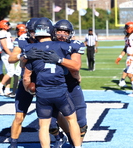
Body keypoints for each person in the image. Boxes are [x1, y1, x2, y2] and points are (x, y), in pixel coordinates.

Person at [23, 17, 81, 148]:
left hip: (42, 93)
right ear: (51, 30)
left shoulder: (30, 49)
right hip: (60, 91)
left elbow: (26, 76)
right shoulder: (63, 46)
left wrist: (28, 89)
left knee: (43, 126)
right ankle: (77, 147)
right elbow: (75, 65)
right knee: (72, 120)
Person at [49, 19, 87, 148]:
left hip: (70, 84)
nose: (61, 34)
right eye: (59, 31)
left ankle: (75, 144)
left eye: (65, 32)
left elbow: (76, 67)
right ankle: (61, 137)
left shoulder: (75, 45)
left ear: (70, 33)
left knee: (81, 122)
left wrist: (59, 60)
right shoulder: (46, 44)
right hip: (52, 86)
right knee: (50, 124)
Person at [8, 18, 40, 148]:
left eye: (36, 31)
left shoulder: (48, 40)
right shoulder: (22, 40)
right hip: (26, 81)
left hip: (45, 81)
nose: (34, 34)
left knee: (53, 116)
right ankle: (13, 143)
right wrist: (23, 54)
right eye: (31, 31)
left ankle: (58, 136)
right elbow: (11, 59)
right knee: (19, 116)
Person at [0, 20, 14, 96]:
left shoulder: (6, 32)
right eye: (7, 24)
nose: (9, 26)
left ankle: (7, 89)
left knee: (9, 72)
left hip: (8, 52)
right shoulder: (2, 33)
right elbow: (5, 46)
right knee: (11, 72)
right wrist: (11, 54)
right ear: (4, 25)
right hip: (6, 53)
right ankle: (0, 86)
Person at [7, 24, 27, 98]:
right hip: (22, 58)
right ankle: (15, 91)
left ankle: (15, 91)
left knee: (17, 73)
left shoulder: (21, 39)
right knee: (17, 73)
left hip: (25, 59)